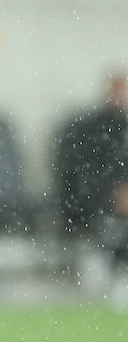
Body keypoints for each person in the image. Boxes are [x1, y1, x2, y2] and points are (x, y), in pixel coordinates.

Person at [54, 68, 128, 274]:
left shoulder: (124, 128)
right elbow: (79, 174)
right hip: (96, 206)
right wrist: (111, 194)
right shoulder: (87, 131)